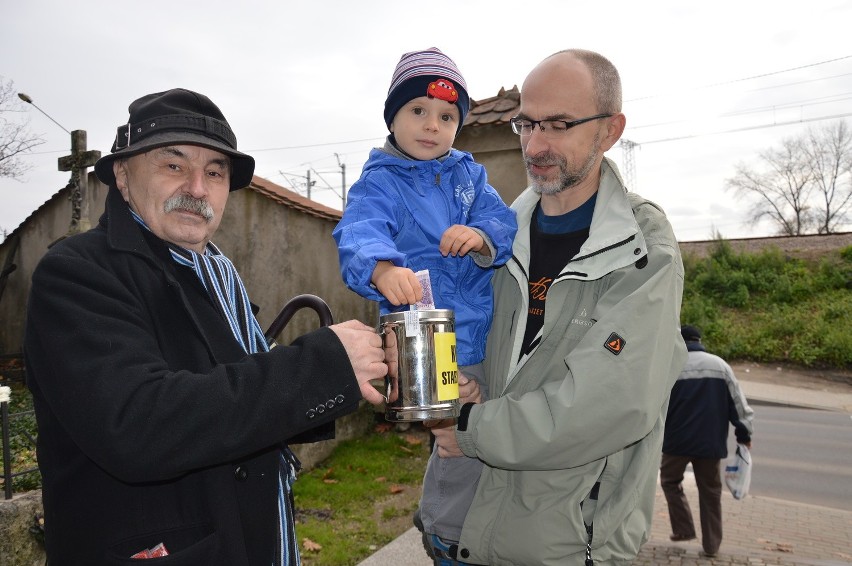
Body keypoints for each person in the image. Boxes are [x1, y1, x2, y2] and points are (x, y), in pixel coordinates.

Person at [24, 88, 387, 565]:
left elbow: (237, 405)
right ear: (123, 175)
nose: (198, 188)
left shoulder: (216, 271)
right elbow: (138, 425)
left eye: (214, 172)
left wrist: (359, 373)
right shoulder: (77, 272)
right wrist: (323, 367)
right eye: (174, 166)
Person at [427, 49, 688, 565]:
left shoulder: (644, 247)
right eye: (526, 123)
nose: (535, 144)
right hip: (452, 527)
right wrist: (446, 378)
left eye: (559, 124)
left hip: (560, 547)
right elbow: (460, 336)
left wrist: (469, 427)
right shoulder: (495, 233)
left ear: (610, 130)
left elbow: (609, 403)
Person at [332, 47, 516, 564]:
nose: (432, 125)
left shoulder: (470, 177)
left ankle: (481, 529)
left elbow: (504, 224)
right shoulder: (381, 180)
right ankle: (445, 536)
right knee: (455, 441)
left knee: (485, 439)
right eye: (418, 111)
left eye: (447, 116)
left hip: (482, 331)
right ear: (392, 116)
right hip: (424, 337)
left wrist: (481, 235)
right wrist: (383, 269)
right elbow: (358, 230)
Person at [661, 324, 754, 558]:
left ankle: (684, 529)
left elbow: (657, 407)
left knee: (670, 482)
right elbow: (739, 406)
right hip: (710, 444)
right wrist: (743, 434)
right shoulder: (720, 366)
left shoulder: (671, 367)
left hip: (676, 443)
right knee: (711, 492)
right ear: (700, 340)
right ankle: (712, 545)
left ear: (681, 342)